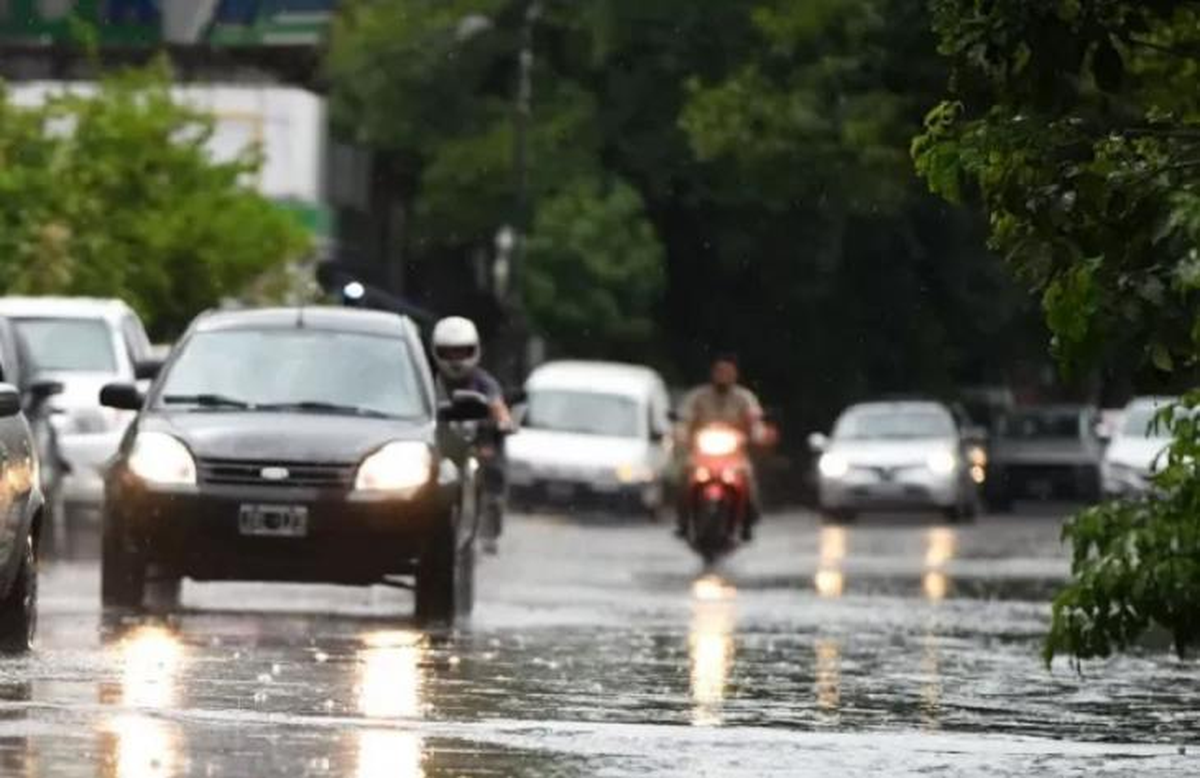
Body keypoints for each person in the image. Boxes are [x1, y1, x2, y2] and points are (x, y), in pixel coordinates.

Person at [431, 316, 512, 554]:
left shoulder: (484, 383)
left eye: (462, 352)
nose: (456, 360)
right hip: (440, 439)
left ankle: (490, 526)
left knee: (493, 468)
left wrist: (503, 422)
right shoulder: (429, 380)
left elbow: (498, 406)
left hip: (479, 439)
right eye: (449, 353)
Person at [676, 354, 770, 541]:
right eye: (719, 371)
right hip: (703, 454)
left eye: (728, 372)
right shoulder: (698, 396)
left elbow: (755, 421)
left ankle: (748, 519)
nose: (723, 376)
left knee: (748, 478)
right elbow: (684, 420)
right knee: (685, 475)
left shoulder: (745, 398)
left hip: (733, 455)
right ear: (712, 373)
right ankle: (683, 520)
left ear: (735, 375)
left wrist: (758, 434)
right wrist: (680, 434)